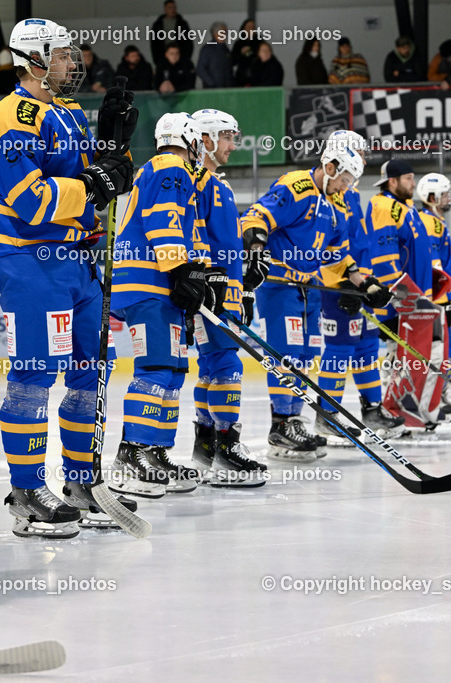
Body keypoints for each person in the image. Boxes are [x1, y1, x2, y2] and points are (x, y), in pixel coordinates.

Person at [0, 17, 137, 536]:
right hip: (31, 259)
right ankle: (25, 491)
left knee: (88, 372)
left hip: (79, 259)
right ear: (37, 59)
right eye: (66, 55)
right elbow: (29, 198)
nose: (75, 63)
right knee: (33, 374)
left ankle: (81, 480)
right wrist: (92, 186)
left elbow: (102, 180)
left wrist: (115, 149)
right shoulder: (9, 115)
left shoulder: (66, 112)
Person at [240, 144, 381, 461]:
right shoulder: (297, 186)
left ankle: (295, 419)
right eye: (345, 179)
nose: (347, 187)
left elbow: (337, 256)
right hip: (280, 283)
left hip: (311, 287)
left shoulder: (339, 205)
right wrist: (258, 250)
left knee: (306, 354)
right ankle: (280, 425)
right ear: (330, 167)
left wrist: (365, 284)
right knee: (285, 354)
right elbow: (256, 216)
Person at [107, 112, 214, 497]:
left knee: (170, 372)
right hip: (149, 285)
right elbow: (163, 221)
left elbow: (181, 227)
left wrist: (196, 273)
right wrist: (181, 270)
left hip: (157, 287)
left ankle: (155, 452)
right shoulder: (173, 166)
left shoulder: (158, 168)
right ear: (188, 139)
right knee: (155, 369)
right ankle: (131, 455)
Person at [187, 109, 268, 485]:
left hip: (223, 292)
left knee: (212, 366)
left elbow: (226, 244)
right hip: (210, 292)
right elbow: (192, 232)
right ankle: (226, 447)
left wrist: (245, 285)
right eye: (227, 137)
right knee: (226, 367)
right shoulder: (197, 180)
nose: (234, 146)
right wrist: (209, 278)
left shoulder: (217, 183)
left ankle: (205, 448)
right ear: (204, 139)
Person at [312, 132, 403, 443]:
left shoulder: (350, 192)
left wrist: (367, 282)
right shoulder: (329, 193)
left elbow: (358, 243)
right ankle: (328, 415)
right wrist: (342, 284)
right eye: (360, 152)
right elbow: (327, 244)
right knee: (339, 348)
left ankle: (372, 409)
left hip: (358, 282)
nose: (364, 158)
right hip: (337, 285)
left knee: (366, 346)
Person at [371, 160, 450, 428]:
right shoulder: (383, 206)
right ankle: (391, 412)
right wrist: (405, 296)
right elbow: (384, 257)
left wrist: (432, 280)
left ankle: (409, 410)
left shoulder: (407, 208)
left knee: (422, 358)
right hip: (400, 301)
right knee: (398, 357)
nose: (413, 184)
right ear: (392, 181)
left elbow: (415, 253)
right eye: (408, 178)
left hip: (418, 298)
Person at [416, 173, 451, 419]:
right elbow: (434, 266)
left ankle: (439, 395)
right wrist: (442, 302)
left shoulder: (437, 221)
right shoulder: (428, 222)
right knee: (440, 351)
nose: (448, 198)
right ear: (432, 197)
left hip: (447, 297)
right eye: (444, 194)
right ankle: (432, 399)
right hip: (439, 299)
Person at [150, 0, 193, 65]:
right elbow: (154, 44)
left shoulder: (182, 24)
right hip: (162, 58)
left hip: (180, 58)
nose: (172, 10)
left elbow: (189, 42)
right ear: (165, 10)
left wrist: (185, 58)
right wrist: (157, 60)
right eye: (170, 8)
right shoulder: (157, 25)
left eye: (174, 7)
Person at [196, 21, 232, 88]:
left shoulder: (225, 49)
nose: (225, 35)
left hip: (227, 89)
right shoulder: (207, 48)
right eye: (222, 32)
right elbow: (200, 69)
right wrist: (211, 83)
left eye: (226, 32)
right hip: (212, 90)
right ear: (215, 33)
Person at [232, 18, 259, 87]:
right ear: (243, 29)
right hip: (242, 78)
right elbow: (232, 61)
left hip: (257, 77)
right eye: (249, 27)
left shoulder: (260, 42)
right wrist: (241, 53)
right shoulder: (238, 44)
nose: (251, 29)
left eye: (253, 27)